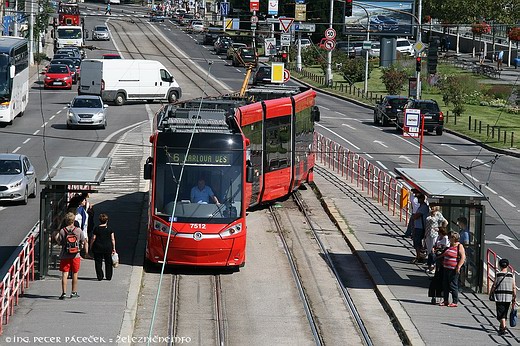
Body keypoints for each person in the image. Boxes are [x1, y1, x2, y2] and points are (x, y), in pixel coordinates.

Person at [53, 212, 86, 300]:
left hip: (65, 254)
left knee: (65, 273)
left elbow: (59, 242)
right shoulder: (78, 230)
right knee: (75, 273)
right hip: (75, 255)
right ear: (73, 220)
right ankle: (73, 292)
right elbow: (83, 241)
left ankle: (63, 293)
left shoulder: (63, 231)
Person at [438, 232, 466, 307]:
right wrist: (438, 256)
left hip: (453, 269)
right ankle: (446, 300)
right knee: (445, 284)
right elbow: (445, 254)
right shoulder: (450, 245)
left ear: (454, 238)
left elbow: (463, 257)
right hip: (446, 268)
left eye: (450, 237)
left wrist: (458, 266)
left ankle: (455, 301)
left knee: (453, 285)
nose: (449, 239)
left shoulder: (459, 246)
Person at [491, 258, 516, 335]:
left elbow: (494, 285)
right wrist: (514, 296)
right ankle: (502, 327)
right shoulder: (511, 275)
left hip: (499, 296)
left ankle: (503, 328)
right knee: (504, 312)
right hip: (508, 296)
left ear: (499, 266)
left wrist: (491, 292)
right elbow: (514, 287)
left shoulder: (498, 274)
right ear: (508, 266)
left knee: (500, 313)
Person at [90, 213, 116, 281]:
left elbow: (93, 238)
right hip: (107, 247)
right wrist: (114, 248)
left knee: (98, 262)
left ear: (99, 220)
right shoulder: (110, 229)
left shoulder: (96, 228)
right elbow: (113, 239)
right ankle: (108, 276)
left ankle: (100, 276)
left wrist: (91, 245)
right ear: (107, 221)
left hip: (98, 247)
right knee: (108, 262)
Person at [428, 226, 449, 304]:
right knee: (432, 256)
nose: (438, 234)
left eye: (439, 232)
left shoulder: (446, 238)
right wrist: (434, 250)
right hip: (437, 255)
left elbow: (446, 248)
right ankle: (431, 266)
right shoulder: (438, 237)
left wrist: (439, 254)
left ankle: (442, 294)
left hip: (441, 257)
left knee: (441, 275)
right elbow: (435, 245)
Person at [424, 205, 448, 273]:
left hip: (434, 234)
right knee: (429, 250)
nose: (431, 208)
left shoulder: (438, 214)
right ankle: (429, 265)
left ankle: (433, 266)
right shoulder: (429, 213)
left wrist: (440, 229)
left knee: (433, 250)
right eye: (431, 206)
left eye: (433, 206)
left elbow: (445, 222)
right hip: (428, 233)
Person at [410, 193, 429, 264]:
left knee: (417, 242)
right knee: (417, 242)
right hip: (417, 226)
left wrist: (413, 217)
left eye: (419, 198)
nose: (418, 199)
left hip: (420, 227)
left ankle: (419, 257)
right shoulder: (420, 206)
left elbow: (416, 216)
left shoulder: (424, 207)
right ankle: (419, 256)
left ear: (423, 199)